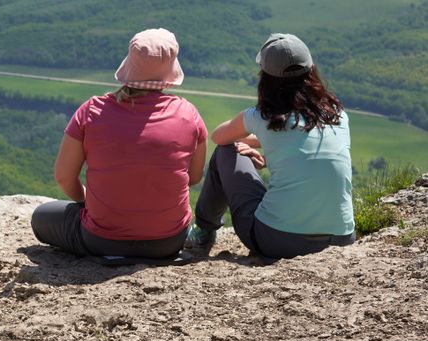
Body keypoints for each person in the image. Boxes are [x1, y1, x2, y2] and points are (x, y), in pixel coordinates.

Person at [31, 28, 208, 259]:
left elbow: (64, 177)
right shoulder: (189, 114)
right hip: (169, 241)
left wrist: (89, 203)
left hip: (101, 240)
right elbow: (193, 177)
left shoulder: (92, 111)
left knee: (41, 217)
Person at [189, 33, 353, 259]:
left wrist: (262, 145)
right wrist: (271, 152)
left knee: (226, 151)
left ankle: (204, 233)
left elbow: (219, 137)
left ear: (265, 76)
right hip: (342, 238)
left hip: (277, 241)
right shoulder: (337, 115)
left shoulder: (260, 117)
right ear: (311, 70)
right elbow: (311, 153)